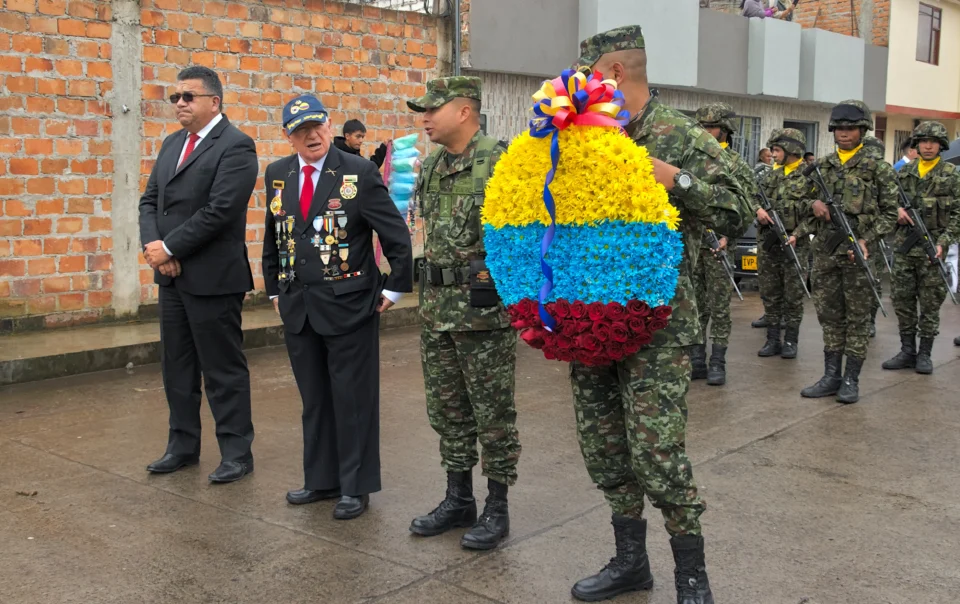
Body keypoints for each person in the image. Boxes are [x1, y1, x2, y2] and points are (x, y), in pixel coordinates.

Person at [566, 25, 748, 604]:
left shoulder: (681, 134)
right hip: (589, 318)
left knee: (657, 449)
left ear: (615, 72)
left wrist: (677, 178)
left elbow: (738, 208)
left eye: (589, 73)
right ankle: (630, 562)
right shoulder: (584, 135)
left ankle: (691, 575)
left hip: (659, 323)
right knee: (604, 445)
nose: (580, 85)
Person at [262, 95, 413, 520]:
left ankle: (356, 486)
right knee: (315, 399)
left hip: (349, 305)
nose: (311, 135)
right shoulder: (278, 175)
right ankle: (321, 479)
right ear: (288, 136)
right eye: (300, 130)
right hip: (298, 306)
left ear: (329, 126)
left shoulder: (357, 172)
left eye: (317, 126)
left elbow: (396, 236)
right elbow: (275, 238)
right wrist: (274, 290)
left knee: (352, 399)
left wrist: (395, 289)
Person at [405, 77, 522, 551]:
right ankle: (458, 498)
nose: (425, 118)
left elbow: (525, 236)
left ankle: (497, 506)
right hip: (436, 310)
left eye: (434, 109)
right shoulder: (432, 165)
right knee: (447, 410)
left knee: (492, 414)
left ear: (466, 111)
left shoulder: (501, 160)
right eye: (423, 111)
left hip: (483, 314)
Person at [138, 66, 258, 483]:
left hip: (213, 279)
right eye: (175, 97)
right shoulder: (172, 144)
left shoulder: (237, 147)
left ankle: (237, 452)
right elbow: (150, 201)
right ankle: (183, 446)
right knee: (178, 367)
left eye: (188, 96)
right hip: (171, 278)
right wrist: (157, 251)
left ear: (214, 102)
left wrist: (170, 248)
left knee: (222, 369)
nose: (180, 104)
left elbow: (220, 211)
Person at [797, 100, 898, 404]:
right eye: (839, 128)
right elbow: (798, 200)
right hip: (826, 253)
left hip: (859, 254)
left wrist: (867, 239)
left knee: (856, 318)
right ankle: (831, 376)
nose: (844, 133)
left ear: (863, 130)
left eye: (850, 128)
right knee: (829, 315)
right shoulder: (821, 167)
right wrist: (812, 204)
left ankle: (851, 379)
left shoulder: (878, 168)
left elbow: (890, 214)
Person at [881, 121, 960, 375]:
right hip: (905, 249)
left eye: (933, 142)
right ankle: (907, 351)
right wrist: (898, 211)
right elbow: (885, 201)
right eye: (923, 141)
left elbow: (958, 213)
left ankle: (924, 354)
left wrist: (943, 241)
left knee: (930, 304)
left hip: (933, 250)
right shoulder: (903, 173)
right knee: (903, 302)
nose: (928, 146)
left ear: (941, 146)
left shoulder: (952, 174)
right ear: (916, 145)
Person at [692, 103, 761, 385]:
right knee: (695, 304)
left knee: (719, 304)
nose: (707, 132)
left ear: (725, 130)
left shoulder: (736, 165)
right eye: (703, 127)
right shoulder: (690, 159)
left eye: (713, 127)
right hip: (693, 241)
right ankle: (697, 357)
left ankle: (717, 360)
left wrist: (727, 237)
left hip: (720, 242)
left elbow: (746, 205)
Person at [756, 129, 815, 359]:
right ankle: (772, 339)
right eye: (772, 150)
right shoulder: (770, 175)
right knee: (770, 293)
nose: (773, 154)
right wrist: (758, 210)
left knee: (793, 294)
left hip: (795, 244)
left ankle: (791, 340)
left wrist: (798, 233)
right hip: (769, 244)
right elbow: (752, 196)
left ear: (792, 150)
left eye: (777, 150)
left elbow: (815, 212)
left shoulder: (809, 176)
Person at [862, 135, 892, 338]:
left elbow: (890, 207)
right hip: (853, 233)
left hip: (875, 235)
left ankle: (870, 321)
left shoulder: (884, 172)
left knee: (873, 280)